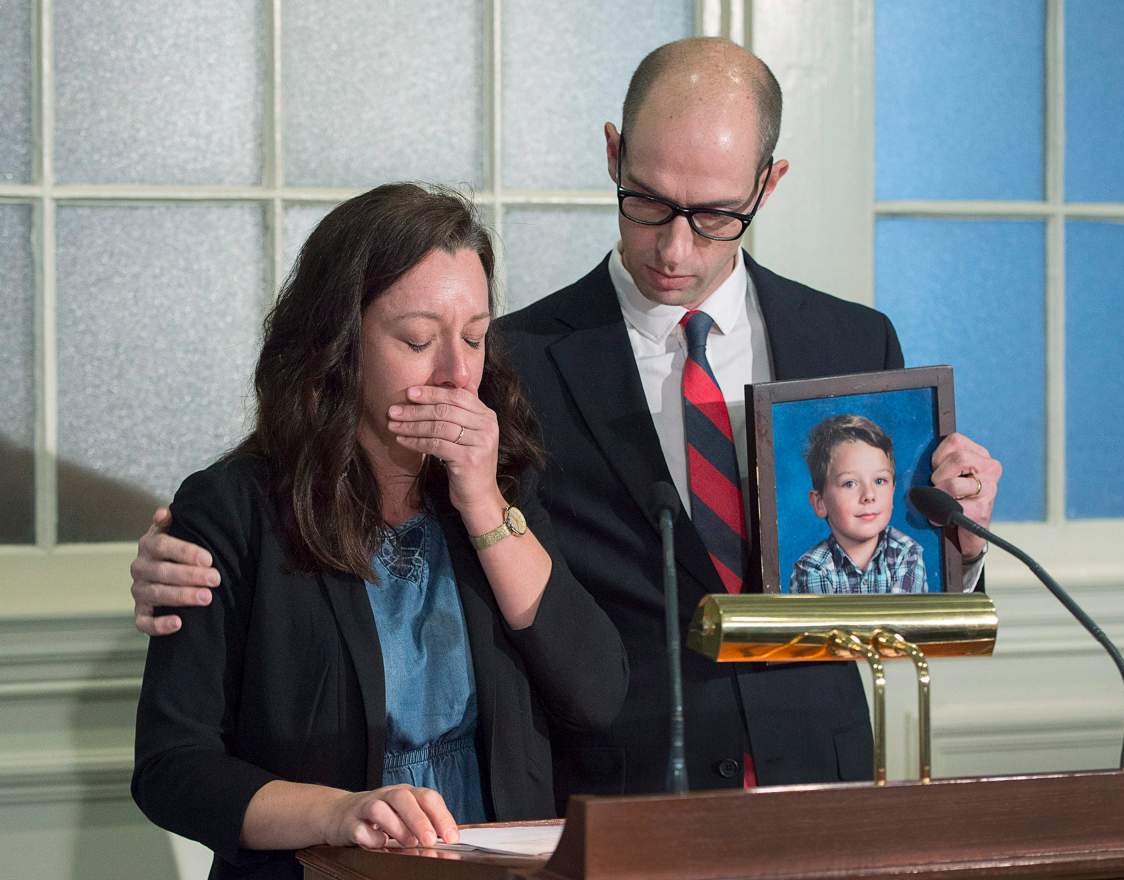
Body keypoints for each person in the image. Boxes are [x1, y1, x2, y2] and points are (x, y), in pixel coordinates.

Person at [131, 38, 1001, 800]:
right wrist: (189, 558)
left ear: (768, 184)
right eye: (649, 202)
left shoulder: (853, 340)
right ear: (614, 154)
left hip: (823, 777)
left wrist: (957, 551)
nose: (675, 247)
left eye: (715, 217)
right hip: (610, 793)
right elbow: (370, 521)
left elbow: (878, 586)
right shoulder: (503, 361)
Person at [131, 183, 627, 879]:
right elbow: (171, 768)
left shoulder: (501, 482)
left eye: (476, 337)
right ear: (342, 344)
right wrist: (338, 812)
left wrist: (484, 505)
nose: (458, 374)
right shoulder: (234, 508)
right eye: (418, 340)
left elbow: (598, 694)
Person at [787, 415, 927, 595]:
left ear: (892, 490)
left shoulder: (907, 553)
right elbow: (829, 624)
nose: (869, 495)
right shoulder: (812, 569)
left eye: (879, 481)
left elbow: (904, 621)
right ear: (820, 503)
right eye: (850, 483)